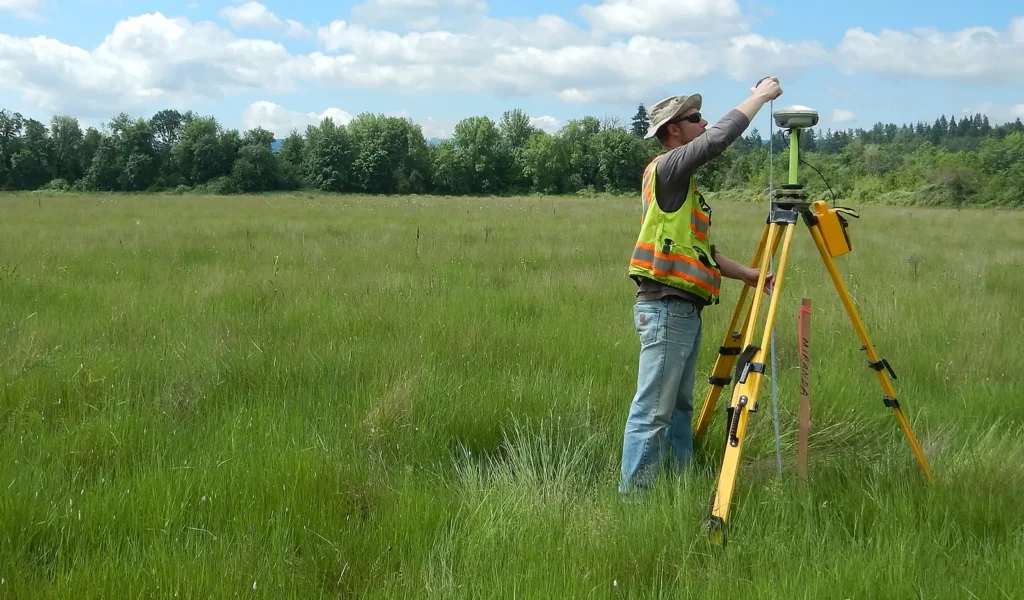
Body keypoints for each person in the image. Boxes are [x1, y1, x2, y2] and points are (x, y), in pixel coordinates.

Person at [619, 77, 783, 495]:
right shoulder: (669, 168)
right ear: (673, 129)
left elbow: (702, 252)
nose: (703, 122)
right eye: (694, 118)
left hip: (683, 308)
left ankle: (678, 486)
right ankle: (635, 500)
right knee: (654, 410)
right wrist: (760, 97)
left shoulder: (680, 186)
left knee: (677, 408)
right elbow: (717, 140)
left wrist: (748, 275)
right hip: (666, 307)